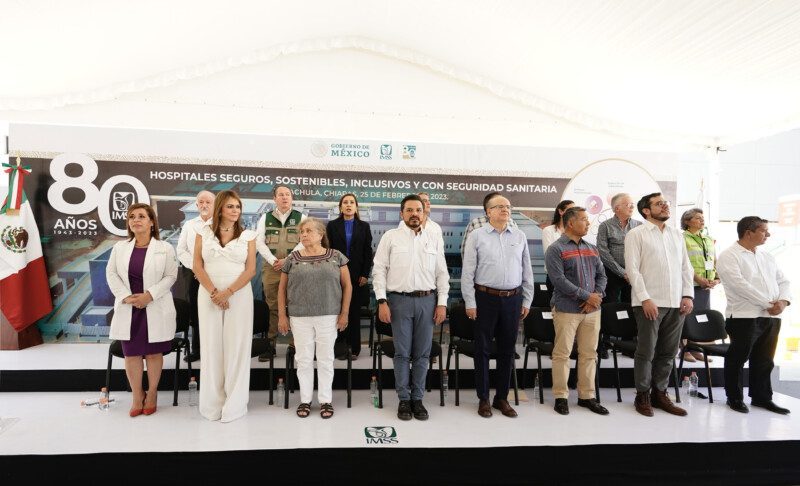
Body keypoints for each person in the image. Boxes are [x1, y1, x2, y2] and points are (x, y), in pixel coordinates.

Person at [372, 194, 449, 421]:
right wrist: (381, 301)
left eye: (418, 210)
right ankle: (404, 400)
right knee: (402, 354)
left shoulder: (434, 238)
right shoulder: (391, 237)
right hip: (398, 301)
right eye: (409, 210)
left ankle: (418, 399)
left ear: (424, 213)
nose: (414, 214)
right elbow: (379, 270)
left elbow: (442, 273)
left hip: (427, 301)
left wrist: (442, 303)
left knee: (423, 354)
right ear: (401, 213)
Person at [461, 193, 534, 418]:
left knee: (507, 350)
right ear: (488, 212)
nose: (505, 210)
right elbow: (468, 272)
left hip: (513, 300)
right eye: (499, 206)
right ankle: (483, 398)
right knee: (482, 350)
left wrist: (527, 299)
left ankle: (501, 398)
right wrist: (470, 302)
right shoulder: (477, 236)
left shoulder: (519, 235)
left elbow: (527, 270)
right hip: (485, 298)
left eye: (508, 206)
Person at [625, 192, 694, 417]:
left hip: (676, 303)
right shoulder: (636, 234)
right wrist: (645, 298)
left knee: (668, 353)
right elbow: (632, 270)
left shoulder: (676, 234)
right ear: (646, 210)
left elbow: (686, 267)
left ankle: (660, 393)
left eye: (666, 203)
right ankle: (642, 394)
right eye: (659, 204)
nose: (665, 206)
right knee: (646, 351)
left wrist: (688, 295)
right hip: (649, 303)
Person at [106, 203, 178, 417]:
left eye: (141, 216)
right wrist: (126, 296)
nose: (136, 220)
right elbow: (111, 274)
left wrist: (149, 295)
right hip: (129, 307)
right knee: (132, 354)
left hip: (154, 304)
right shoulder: (119, 248)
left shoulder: (165, 248)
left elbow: (171, 276)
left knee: (154, 352)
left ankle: (153, 393)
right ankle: (137, 395)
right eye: (131, 217)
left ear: (151, 221)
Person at [717, 216, 792, 414]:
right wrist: (768, 304)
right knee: (738, 358)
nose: (768, 234)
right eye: (764, 231)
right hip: (743, 316)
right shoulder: (729, 255)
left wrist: (782, 302)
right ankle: (734, 397)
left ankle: (761, 398)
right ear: (748, 232)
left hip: (771, 317)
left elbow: (784, 281)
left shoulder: (767, 256)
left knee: (765, 360)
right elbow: (739, 285)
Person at [193, 190, 256, 422]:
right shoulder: (202, 233)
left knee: (237, 348)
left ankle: (235, 404)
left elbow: (250, 270)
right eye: (230, 206)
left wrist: (228, 292)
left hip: (238, 295)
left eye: (238, 207)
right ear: (220, 208)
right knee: (211, 347)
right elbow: (197, 267)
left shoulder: (249, 235)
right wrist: (214, 293)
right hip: (208, 295)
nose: (235, 211)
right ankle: (212, 404)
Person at [278, 218, 352, 418]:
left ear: (320, 235)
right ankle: (305, 400)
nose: (304, 234)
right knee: (303, 359)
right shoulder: (292, 258)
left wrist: (344, 313)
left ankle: (326, 401)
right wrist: (282, 316)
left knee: (326, 359)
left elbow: (348, 286)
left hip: (328, 315)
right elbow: (282, 289)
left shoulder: (336, 256)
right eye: (302, 231)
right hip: (299, 317)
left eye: (309, 231)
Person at [545, 207, 608, 416]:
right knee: (562, 354)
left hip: (592, 310)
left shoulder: (592, 248)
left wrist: (595, 297)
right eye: (583, 220)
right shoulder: (556, 249)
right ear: (571, 223)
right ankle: (561, 397)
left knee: (589, 354)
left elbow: (602, 276)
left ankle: (586, 396)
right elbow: (559, 281)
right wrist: (585, 296)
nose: (588, 223)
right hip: (566, 309)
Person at [256, 185, 306, 359]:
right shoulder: (265, 218)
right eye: (280, 195)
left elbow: (304, 242)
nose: (284, 197)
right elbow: (259, 242)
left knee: (295, 305)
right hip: (272, 268)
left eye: (287, 194)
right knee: (272, 306)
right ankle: (271, 344)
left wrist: (288, 259)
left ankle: (294, 345)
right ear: (274, 198)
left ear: (292, 198)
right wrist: (273, 261)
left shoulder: (301, 217)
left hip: (295, 267)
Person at [327, 193, 373, 360]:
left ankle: (354, 348)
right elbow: (328, 250)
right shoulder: (332, 226)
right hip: (335, 274)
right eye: (345, 202)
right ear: (340, 207)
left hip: (356, 276)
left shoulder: (364, 226)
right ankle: (340, 347)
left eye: (351, 202)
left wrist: (365, 274)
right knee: (337, 311)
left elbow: (368, 252)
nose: (348, 205)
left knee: (353, 312)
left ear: (356, 207)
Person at [176, 190, 214, 363]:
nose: (204, 205)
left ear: (215, 204)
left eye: (208, 202)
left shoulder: (222, 224)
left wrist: (209, 270)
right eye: (201, 202)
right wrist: (197, 268)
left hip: (216, 275)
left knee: (216, 311)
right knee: (196, 312)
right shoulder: (189, 225)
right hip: (193, 275)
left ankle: (216, 350)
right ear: (197, 205)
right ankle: (197, 349)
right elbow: (181, 250)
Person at [681, 208, 720, 363]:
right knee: (687, 318)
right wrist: (698, 279)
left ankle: (696, 348)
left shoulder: (707, 239)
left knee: (699, 318)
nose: (702, 220)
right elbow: (682, 263)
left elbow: (714, 260)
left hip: (706, 286)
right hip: (690, 284)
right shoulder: (682, 238)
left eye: (702, 218)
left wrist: (717, 279)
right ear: (687, 221)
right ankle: (684, 351)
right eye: (697, 218)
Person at [597, 193, 641, 304]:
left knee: (632, 306)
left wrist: (632, 272)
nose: (632, 207)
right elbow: (602, 252)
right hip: (611, 273)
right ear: (617, 208)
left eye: (632, 204)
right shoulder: (605, 226)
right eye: (628, 204)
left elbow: (643, 250)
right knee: (610, 306)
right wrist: (623, 272)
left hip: (634, 273)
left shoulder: (639, 225)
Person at [460, 191, 517, 259]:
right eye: (499, 205)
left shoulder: (512, 223)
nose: (504, 208)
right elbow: (466, 252)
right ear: (488, 209)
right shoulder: (475, 223)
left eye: (507, 206)